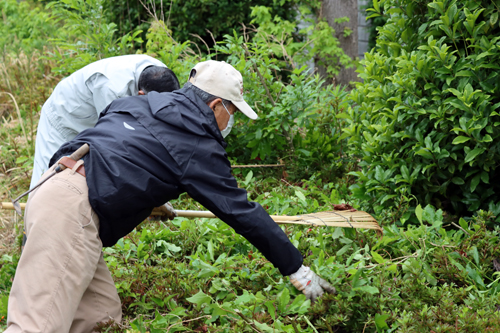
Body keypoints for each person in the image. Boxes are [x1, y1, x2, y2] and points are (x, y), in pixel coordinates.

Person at [5, 60, 335, 333]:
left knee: (99, 320)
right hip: (72, 211)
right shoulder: (197, 143)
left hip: (57, 185)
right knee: (37, 324)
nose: (230, 121)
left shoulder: (139, 102)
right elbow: (241, 212)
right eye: (232, 112)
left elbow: (116, 145)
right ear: (216, 105)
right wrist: (297, 270)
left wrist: (147, 196)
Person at [30, 54, 180, 189]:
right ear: (141, 94)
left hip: (94, 120)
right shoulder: (112, 89)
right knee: (47, 181)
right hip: (63, 120)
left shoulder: (160, 76)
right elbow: (116, 143)